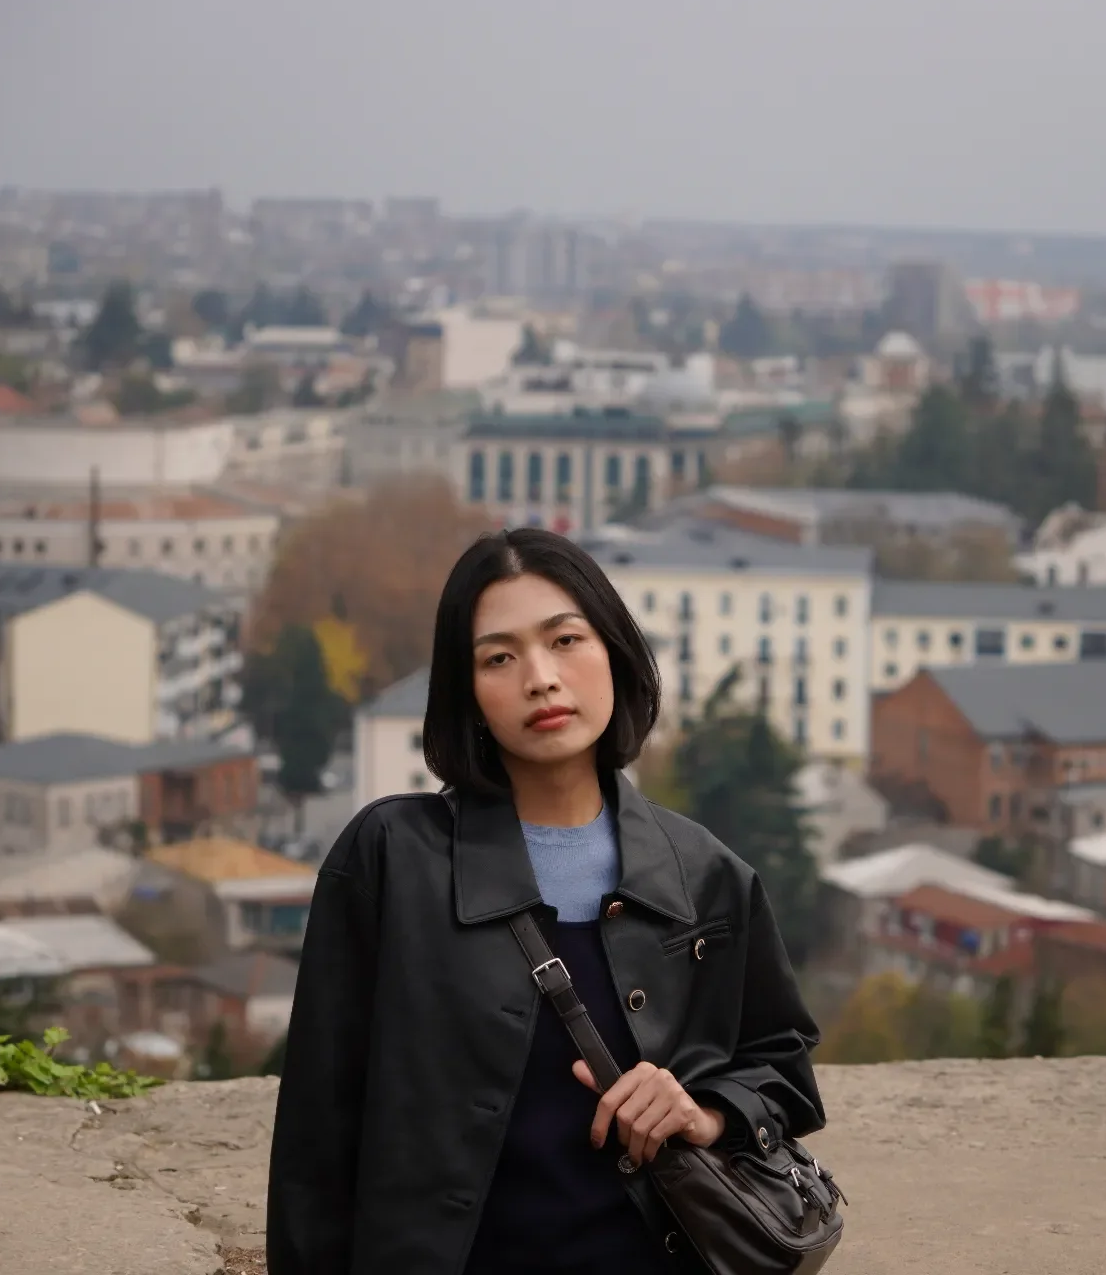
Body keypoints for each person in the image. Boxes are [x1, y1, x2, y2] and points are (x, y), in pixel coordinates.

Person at [266, 527, 826, 1275]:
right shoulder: (392, 860)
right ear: (466, 693)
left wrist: (706, 1109)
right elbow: (316, 1139)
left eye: (565, 640)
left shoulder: (705, 874)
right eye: (499, 657)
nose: (541, 678)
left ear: (615, 654)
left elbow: (780, 1063)